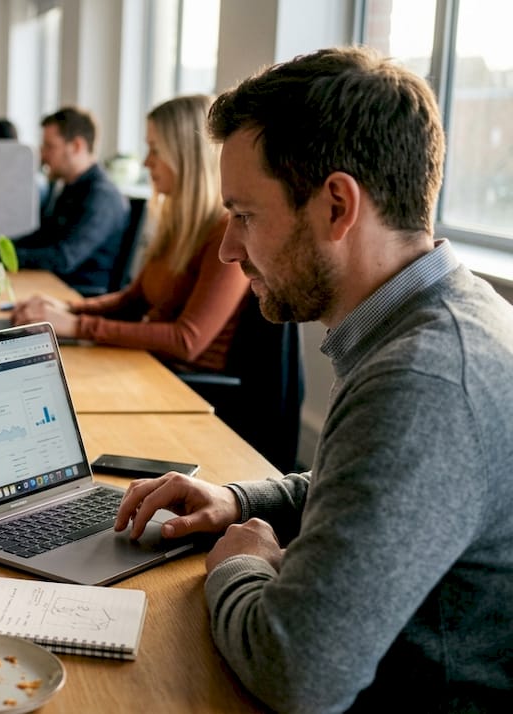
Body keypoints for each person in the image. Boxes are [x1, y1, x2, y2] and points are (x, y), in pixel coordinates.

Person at [114, 47, 513, 712]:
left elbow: (297, 672)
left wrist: (240, 563)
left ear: (336, 206)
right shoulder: (452, 316)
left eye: (244, 214)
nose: (229, 248)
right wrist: (241, 504)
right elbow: (366, 486)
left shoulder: (425, 380)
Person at [12, 95, 249, 373]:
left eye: (155, 150)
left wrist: (77, 325)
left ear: (186, 155)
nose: (147, 162)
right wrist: (68, 309)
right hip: (147, 364)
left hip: (185, 386)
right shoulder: (177, 225)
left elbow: (186, 341)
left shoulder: (224, 234)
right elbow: (132, 301)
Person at [11, 106, 130, 295]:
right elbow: (43, 236)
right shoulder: (69, 187)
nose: (43, 155)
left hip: (79, 295)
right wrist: (1, 247)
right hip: (54, 286)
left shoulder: (101, 196)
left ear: (76, 146)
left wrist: (3, 256)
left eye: (50, 146)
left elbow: (64, 258)